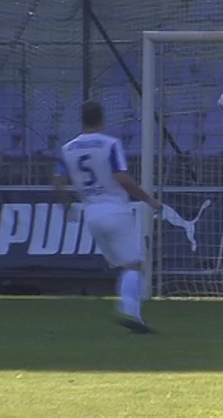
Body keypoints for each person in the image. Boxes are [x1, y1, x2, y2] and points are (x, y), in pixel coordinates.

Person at [53, 101, 163, 334]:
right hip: (115, 209)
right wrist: (149, 200)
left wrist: (67, 206)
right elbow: (122, 179)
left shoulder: (67, 149)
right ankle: (129, 312)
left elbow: (58, 181)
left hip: (91, 214)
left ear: (81, 120)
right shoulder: (110, 144)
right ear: (102, 119)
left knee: (127, 265)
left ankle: (135, 317)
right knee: (135, 265)